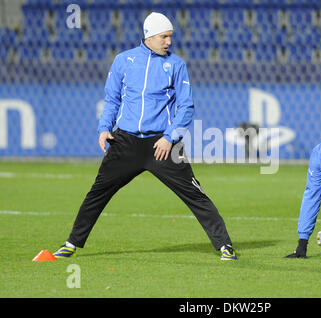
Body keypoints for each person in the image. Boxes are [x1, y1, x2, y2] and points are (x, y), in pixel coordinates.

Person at [53, 12, 237, 261]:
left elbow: (186, 107)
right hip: (125, 143)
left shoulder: (177, 65)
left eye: (170, 37)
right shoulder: (123, 61)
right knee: (98, 192)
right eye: (164, 37)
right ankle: (71, 243)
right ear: (149, 36)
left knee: (195, 194)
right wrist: (104, 128)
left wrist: (170, 138)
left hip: (162, 144)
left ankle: (224, 245)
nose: (169, 42)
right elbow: (112, 99)